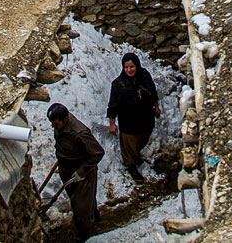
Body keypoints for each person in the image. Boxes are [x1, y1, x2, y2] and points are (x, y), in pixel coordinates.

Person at [48, 103, 105, 242]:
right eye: (53, 124)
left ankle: (84, 233)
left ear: (65, 119)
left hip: (81, 172)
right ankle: (93, 214)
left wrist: (81, 172)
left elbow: (97, 153)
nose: (54, 127)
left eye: (56, 124)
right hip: (66, 168)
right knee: (78, 197)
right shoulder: (60, 127)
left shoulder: (80, 133)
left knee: (80, 205)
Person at [106, 52, 160, 183]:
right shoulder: (118, 84)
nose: (129, 70)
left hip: (145, 117)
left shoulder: (144, 76)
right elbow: (113, 105)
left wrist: (156, 107)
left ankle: (137, 157)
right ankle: (131, 165)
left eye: (132, 67)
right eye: (126, 67)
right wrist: (112, 123)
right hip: (128, 121)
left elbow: (152, 92)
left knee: (142, 138)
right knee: (130, 144)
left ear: (137, 65)